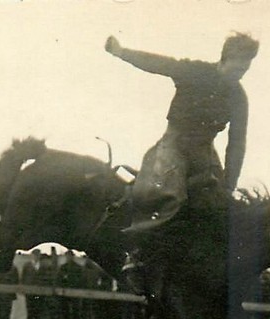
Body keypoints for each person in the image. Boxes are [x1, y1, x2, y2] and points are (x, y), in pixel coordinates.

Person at [105, 33, 258, 238]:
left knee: (219, 204)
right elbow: (160, 64)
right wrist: (121, 52)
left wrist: (229, 185)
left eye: (245, 70)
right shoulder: (196, 72)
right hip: (174, 143)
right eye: (238, 69)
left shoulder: (238, 97)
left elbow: (237, 143)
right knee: (172, 196)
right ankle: (138, 245)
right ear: (225, 58)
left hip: (204, 151)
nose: (240, 75)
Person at [21, 249, 57, 319]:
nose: (36, 257)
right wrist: (24, 290)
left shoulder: (44, 266)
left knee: (39, 313)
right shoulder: (27, 266)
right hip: (29, 293)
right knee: (30, 312)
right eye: (34, 255)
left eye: (37, 255)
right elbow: (23, 279)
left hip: (40, 293)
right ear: (32, 256)